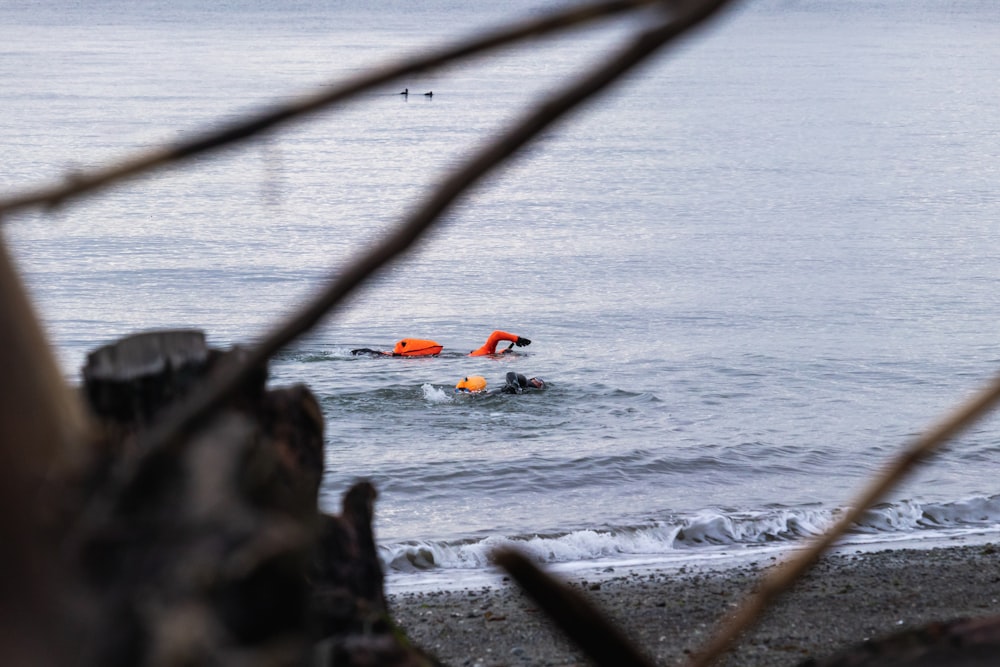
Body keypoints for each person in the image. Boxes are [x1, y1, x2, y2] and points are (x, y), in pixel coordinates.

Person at [454, 372, 545, 395]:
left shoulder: (526, 385)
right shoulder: (523, 382)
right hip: (501, 392)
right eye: (537, 380)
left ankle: (466, 392)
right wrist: (515, 386)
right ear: (532, 379)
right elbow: (510, 374)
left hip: (500, 393)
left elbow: (510, 374)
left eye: (540, 382)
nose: (538, 382)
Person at [351, 338, 443, 357]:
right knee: (371, 352)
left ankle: (355, 352)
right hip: (392, 355)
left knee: (372, 352)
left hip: (391, 354)